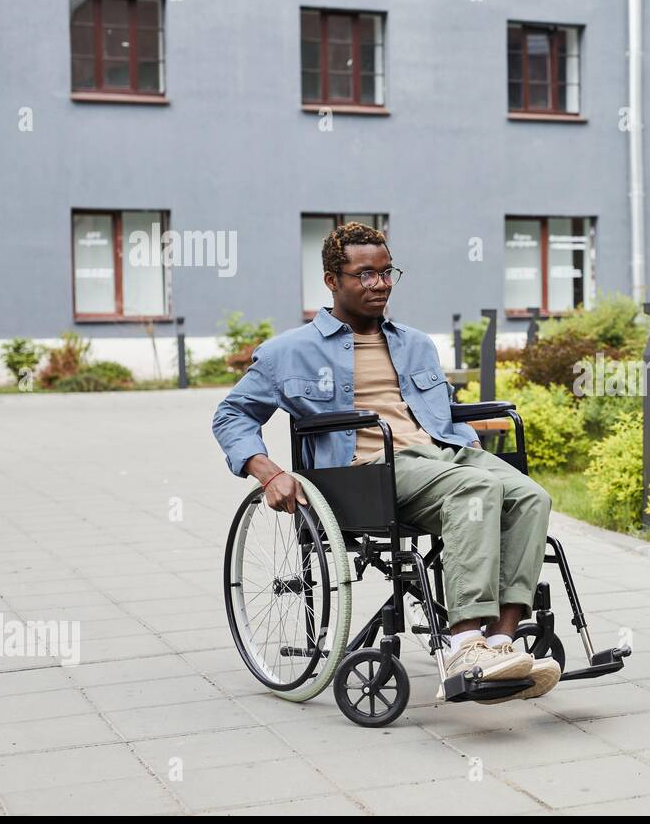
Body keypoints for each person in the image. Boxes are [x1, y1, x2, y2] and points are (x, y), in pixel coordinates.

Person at [212, 221, 558, 702]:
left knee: (529, 494)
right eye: (364, 275)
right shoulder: (288, 353)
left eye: (387, 272)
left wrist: (466, 441)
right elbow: (231, 415)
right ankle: (463, 646)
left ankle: (500, 645)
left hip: (440, 456)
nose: (380, 284)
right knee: (477, 492)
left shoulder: (415, 343)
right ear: (333, 281)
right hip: (367, 472)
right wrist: (268, 472)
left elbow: (441, 411)